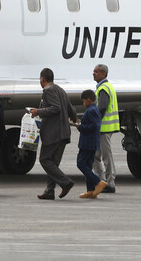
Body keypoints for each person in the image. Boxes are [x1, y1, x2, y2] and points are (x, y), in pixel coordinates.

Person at [29, 67, 78, 200]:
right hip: (63, 133)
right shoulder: (60, 90)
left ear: (42, 79)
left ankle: (66, 182)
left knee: (44, 160)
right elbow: (70, 108)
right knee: (53, 164)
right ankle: (50, 191)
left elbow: (55, 108)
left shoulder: (48, 91)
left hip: (53, 133)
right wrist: (75, 121)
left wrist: (38, 112)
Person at [74, 89, 109, 199]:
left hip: (88, 143)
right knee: (88, 166)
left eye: (84, 101)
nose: (83, 103)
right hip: (92, 143)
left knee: (81, 163)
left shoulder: (91, 110)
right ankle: (90, 190)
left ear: (89, 100)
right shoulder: (94, 109)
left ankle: (98, 182)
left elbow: (94, 126)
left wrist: (80, 127)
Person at [93, 64, 119, 193]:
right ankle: (102, 181)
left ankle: (110, 183)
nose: (93, 73)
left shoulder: (104, 88)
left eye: (96, 72)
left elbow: (102, 107)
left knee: (106, 156)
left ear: (103, 74)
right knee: (95, 155)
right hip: (104, 127)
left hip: (104, 127)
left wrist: (95, 120)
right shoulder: (105, 87)